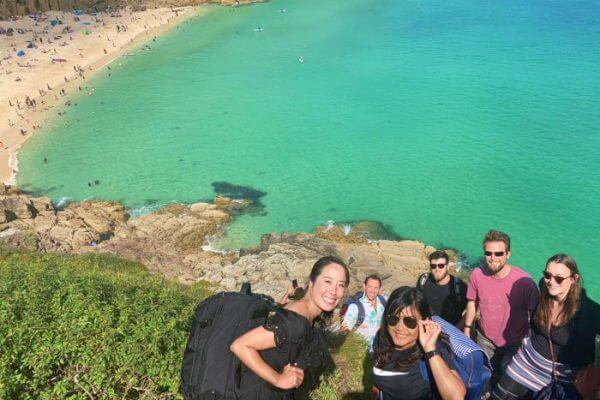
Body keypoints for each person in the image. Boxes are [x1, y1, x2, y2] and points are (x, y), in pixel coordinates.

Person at [230, 256, 349, 399]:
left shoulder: (307, 314)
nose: (334, 291)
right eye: (328, 281)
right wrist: (278, 379)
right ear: (312, 282)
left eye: (341, 285)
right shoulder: (295, 321)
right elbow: (240, 345)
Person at [492, 254, 600, 400]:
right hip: (525, 362)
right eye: (548, 275)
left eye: (559, 278)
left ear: (574, 279)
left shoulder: (590, 311)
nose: (551, 282)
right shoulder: (544, 286)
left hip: (558, 377)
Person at [463, 230, 539, 385]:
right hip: (484, 338)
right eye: (488, 253)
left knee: (506, 381)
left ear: (508, 254)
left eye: (499, 253)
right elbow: (472, 301)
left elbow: (537, 316)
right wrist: (467, 327)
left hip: (514, 343)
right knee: (483, 373)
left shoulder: (525, 283)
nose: (493, 258)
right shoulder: (477, 275)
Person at [371, 286, 466, 400]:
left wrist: (430, 349)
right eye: (393, 318)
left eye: (410, 321)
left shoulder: (435, 349)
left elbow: (456, 397)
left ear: (424, 322)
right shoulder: (381, 338)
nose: (399, 327)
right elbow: (378, 384)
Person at [417, 250, 467, 326]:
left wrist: (457, 329)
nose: (437, 269)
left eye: (441, 266)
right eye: (433, 266)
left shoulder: (459, 287)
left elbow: (471, 310)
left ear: (447, 267)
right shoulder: (423, 280)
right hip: (427, 327)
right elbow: (417, 303)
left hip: (449, 332)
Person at [341, 274, 386, 350]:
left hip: (381, 351)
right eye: (370, 287)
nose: (372, 290)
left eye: (376, 288)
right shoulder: (355, 307)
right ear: (364, 287)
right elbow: (344, 330)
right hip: (361, 353)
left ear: (379, 289)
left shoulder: (383, 301)